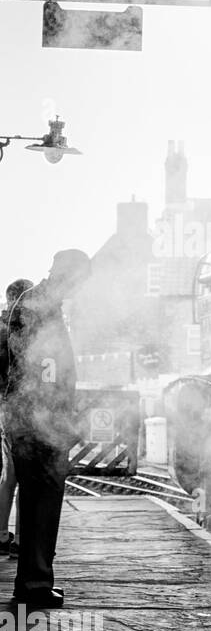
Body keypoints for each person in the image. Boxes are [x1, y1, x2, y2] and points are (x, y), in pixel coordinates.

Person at [1, 251, 91, 609]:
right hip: (38, 424)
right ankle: (34, 584)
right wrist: (57, 420)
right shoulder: (38, 307)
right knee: (43, 500)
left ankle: (35, 580)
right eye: (80, 280)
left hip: (37, 421)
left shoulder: (39, 304)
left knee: (42, 500)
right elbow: (38, 369)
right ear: (68, 275)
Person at [0, 278, 33, 559]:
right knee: (27, 477)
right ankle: (22, 539)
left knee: (7, 475)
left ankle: (0, 534)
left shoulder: (1, 326)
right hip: (23, 409)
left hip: (4, 408)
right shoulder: (24, 329)